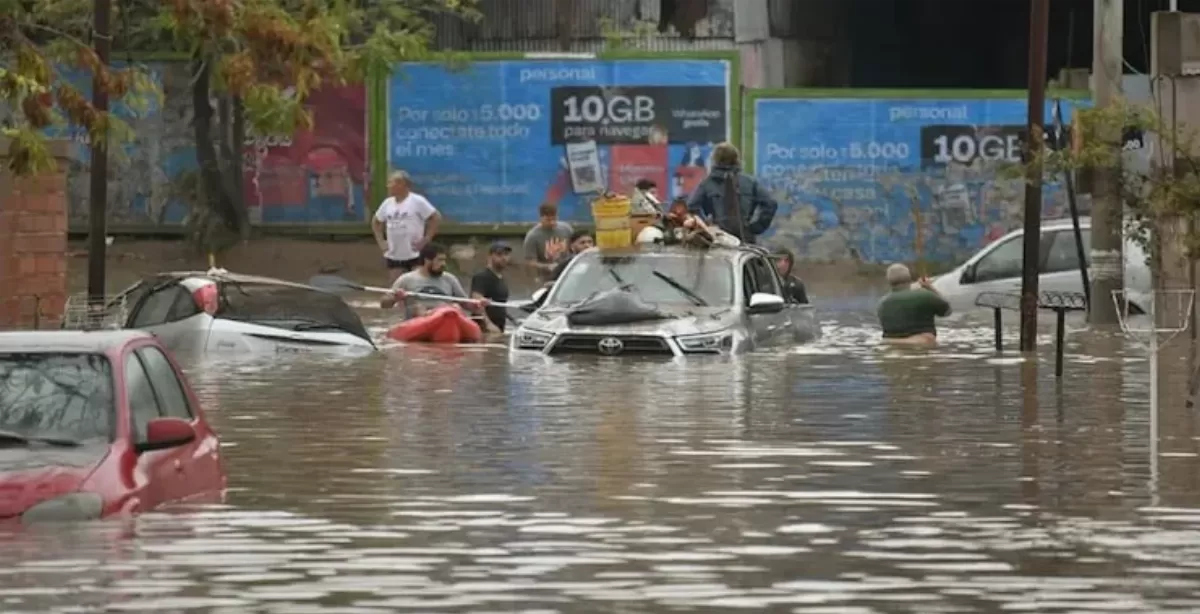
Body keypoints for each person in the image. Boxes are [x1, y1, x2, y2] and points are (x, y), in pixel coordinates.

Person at [686, 142, 777, 244]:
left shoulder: (707, 183)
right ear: (737, 159)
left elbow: (691, 207)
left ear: (715, 160)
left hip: (717, 239)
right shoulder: (749, 182)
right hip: (745, 240)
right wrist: (756, 227)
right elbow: (770, 203)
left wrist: (706, 227)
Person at [381, 243, 483, 319]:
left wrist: (477, 304)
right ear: (427, 260)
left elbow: (465, 304)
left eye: (444, 260)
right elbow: (384, 304)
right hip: (419, 318)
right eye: (439, 260)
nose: (443, 264)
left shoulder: (449, 279)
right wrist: (395, 297)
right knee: (418, 308)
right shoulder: (407, 279)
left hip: (444, 316)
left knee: (455, 307)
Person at [372, 170, 441, 281]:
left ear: (402, 184)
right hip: (394, 253)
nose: (388, 186)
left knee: (417, 283)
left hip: (415, 253)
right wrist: (381, 241)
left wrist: (426, 239)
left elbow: (435, 217)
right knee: (396, 286)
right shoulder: (387, 203)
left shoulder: (417, 201)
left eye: (391, 183)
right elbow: (376, 222)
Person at [877, 263, 951, 347]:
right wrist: (930, 288)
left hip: (890, 343)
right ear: (909, 277)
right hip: (921, 343)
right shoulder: (925, 295)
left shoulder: (882, 303)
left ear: (888, 281)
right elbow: (947, 311)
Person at [470, 242, 513, 334]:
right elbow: (477, 302)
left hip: (499, 328)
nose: (503, 258)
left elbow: (500, 304)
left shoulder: (501, 278)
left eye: (506, 255)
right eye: (499, 254)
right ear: (489, 257)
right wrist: (488, 324)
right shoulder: (481, 277)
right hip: (484, 329)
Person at [523, 201, 573, 280]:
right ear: (541, 218)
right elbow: (530, 262)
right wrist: (547, 266)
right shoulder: (532, 236)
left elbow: (573, 248)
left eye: (554, 219)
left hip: (567, 274)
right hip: (547, 277)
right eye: (548, 220)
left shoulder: (566, 229)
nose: (552, 222)